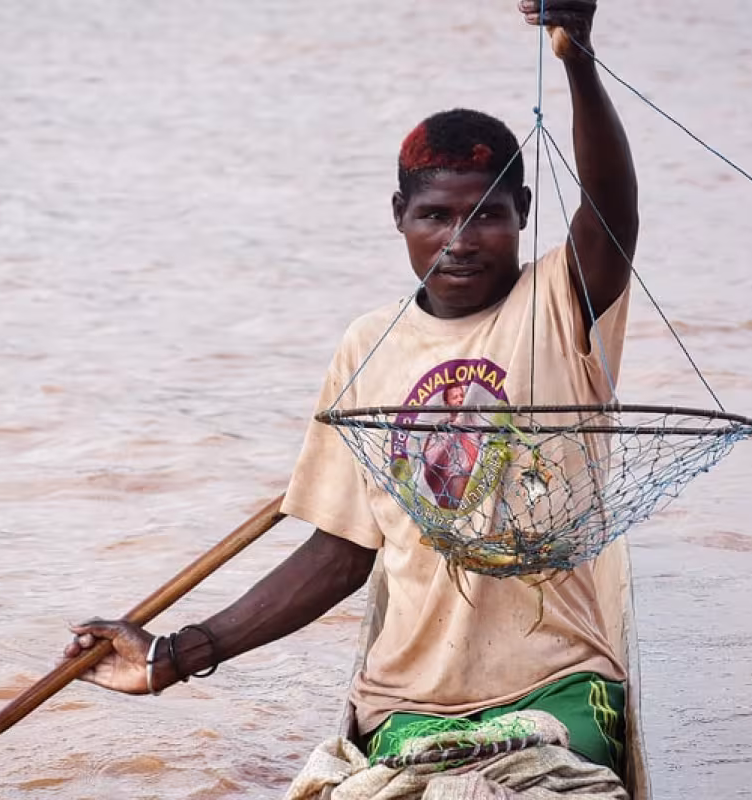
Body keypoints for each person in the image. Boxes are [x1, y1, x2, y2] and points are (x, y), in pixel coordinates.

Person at [63, 0, 638, 793]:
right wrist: (175, 655)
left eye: (488, 217)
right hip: (408, 703)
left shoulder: (559, 301)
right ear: (400, 217)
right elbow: (339, 551)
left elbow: (610, 213)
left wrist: (577, 59)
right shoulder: (368, 347)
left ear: (524, 217)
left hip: (558, 686)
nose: (461, 239)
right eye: (436, 215)